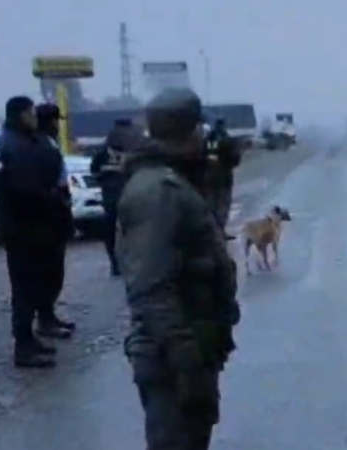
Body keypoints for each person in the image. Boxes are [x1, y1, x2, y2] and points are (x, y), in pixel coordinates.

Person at [116, 88, 240, 450]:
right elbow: (151, 289)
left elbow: (206, 222)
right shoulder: (159, 191)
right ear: (190, 131)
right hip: (172, 357)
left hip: (187, 349)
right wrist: (187, 360)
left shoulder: (174, 179)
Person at [0, 97, 63, 368]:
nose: (35, 118)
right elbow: (24, 188)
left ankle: (29, 339)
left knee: (30, 285)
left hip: (25, 223)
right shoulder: (13, 145)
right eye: (32, 113)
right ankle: (23, 346)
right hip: (25, 225)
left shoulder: (15, 141)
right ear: (21, 115)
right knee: (24, 287)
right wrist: (50, 196)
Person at [34, 104, 76, 338]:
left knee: (55, 270)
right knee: (48, 270)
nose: (57, 125)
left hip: (57, 212)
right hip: (49, 215)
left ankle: (49, 315)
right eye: (54, 121)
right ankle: (45, 319)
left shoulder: (49, 144)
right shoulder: (41, 145)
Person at [90, 119, 141, 276]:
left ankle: (120, 262)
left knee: (121, 230)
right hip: (122, 195)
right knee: (124, 229)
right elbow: (94, 171)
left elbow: (95, 172)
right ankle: (119, 262)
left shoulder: (131, 150)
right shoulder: (134, 148)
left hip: (119, 195)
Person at [204, 119, 242, 238]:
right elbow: (235, 159)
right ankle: (219, 232)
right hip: (224, 177)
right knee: (222, 206)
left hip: (209, 177)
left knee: (211, 206)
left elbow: (209, 157)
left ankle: (212, 232)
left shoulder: (209, 139)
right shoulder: (227, 139)